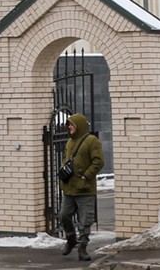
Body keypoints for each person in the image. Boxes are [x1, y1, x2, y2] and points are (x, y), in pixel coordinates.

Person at [57, 112, 104, 262]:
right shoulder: (69, 142)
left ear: (79, 126)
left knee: (85, 221)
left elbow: (98, 161)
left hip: (85, 189)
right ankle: (71, 238)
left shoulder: (92, 141)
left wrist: (86, 176)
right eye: (68, 125)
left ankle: (82, 247)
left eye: (71, 124)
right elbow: (66, 159)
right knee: (63, 215)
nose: (69, 127)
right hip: (69, 188)